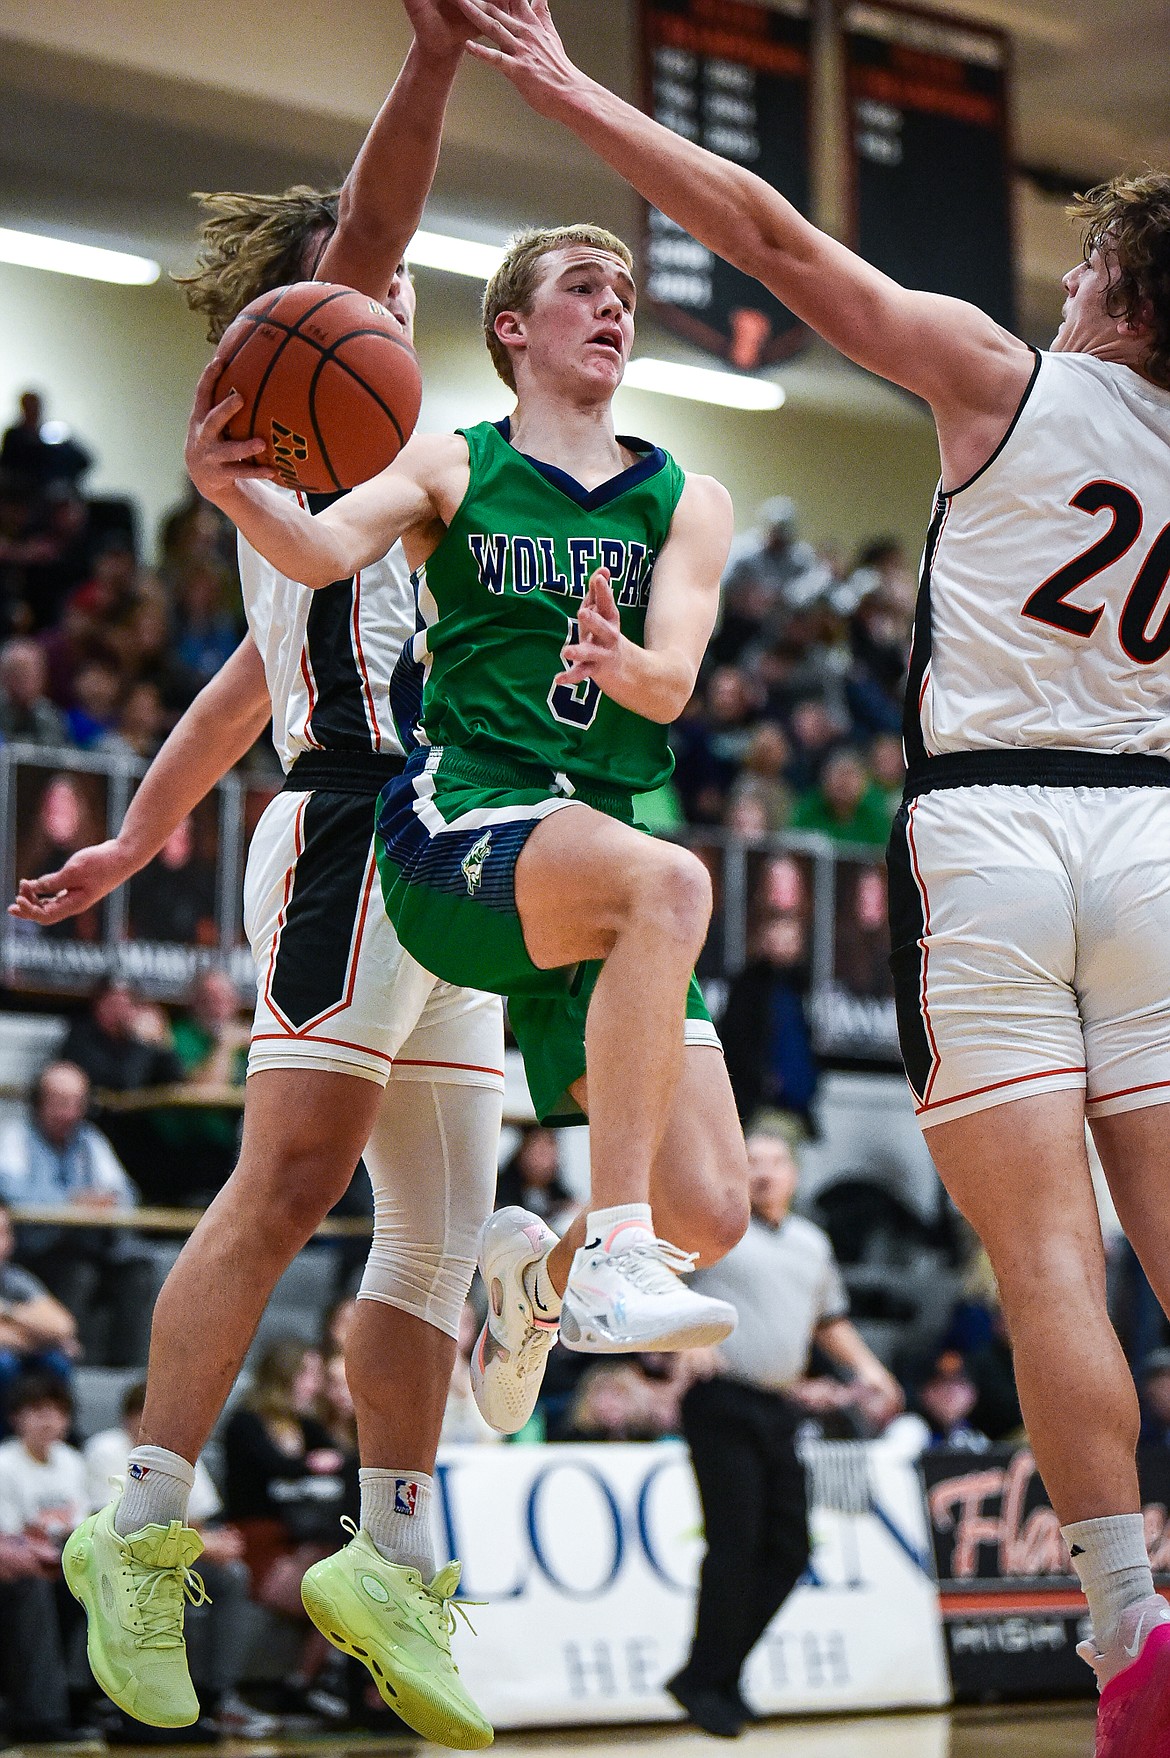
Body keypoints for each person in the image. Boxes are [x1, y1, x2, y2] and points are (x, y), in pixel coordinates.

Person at [451, 6, 1170, 1747]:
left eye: (1081, 273)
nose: (1060, 291)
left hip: (994, 832)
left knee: (1049, 1270)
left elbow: (766, 233)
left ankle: (1128, 1633)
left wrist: (559, 83)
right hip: (1159, 828)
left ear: (1112, 283)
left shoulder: (1005, 376)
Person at [13, 9, 505, 1746]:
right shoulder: (299, 412)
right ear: (307, 315)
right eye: (371, 284)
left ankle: (392, 1558)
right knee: (289, 1182)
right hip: (354, 827)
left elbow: (237, 678)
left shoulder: (393, 479)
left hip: (457, 841)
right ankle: (137, 1523)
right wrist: (438, 60)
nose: (402, 305)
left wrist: (138, 837)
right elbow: (372, 230)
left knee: (441, 1225)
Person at [185, 214, 748, 1397]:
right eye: (584, 287)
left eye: (625, 294)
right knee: (678, 884)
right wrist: (232, 492)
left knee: (721, 1210)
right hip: (468, 815)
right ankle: (616, 1250)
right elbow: (321, 548)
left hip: (596, 854)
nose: (614, 308)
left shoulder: (690, 497)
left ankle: (534, 1282)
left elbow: (674, 677)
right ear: (512, 328)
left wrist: (617, 661)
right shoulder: (454, 462)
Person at [666, 1128, 902, 1737]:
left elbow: (829, 1320)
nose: (764, 1173)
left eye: (775, 1162)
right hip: (719, 1401)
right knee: (735, 1543)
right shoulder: (712, 1230)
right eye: (751, 1162)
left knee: (789, 1548)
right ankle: (709, 1679)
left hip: (779, 1405)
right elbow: (657, 1286)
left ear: (795, 1175)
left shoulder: (811, 1243)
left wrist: (871, 1370)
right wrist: (680, 1341)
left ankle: (713, 1673)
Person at [84, 1379, 277, 1741]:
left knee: (231, 1575)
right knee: (165, 1576)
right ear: (132, 1418)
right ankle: (133, 1697)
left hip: (175, 1551)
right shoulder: (107, 1448)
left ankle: (219, 1695)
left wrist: (204, 1542)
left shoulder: (181, 1454)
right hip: (118, 1555)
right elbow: (115, 1522)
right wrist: (203, 1543)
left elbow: (199, 1521)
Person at [0, 1062, 155, 1366]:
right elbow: (13, 1195)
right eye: (59, 1103)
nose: (69, 1113)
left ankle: (130, 1373)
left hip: (93, 1246)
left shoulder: (90, 1141)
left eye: (77, 1103)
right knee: (78, 1274)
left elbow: (125, 1196)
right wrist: (75, 1201)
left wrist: (94, 1203)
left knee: (138, 1271)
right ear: (38, 1103)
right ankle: (75, 1367)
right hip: (38, 1250)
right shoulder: (16, 1139)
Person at [0, 1199, 77, 1433]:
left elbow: (63, 1326)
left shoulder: (14, 1279)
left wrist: (6, 1311)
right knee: (4, 1364)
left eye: (3, 1233)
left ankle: (57, 1438)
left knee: (55, 1362)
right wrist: (38, 1336)